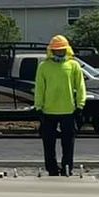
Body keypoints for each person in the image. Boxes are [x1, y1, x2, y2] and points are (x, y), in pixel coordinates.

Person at [34, 35, 86, 176]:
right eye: (56, 50)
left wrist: (80, 106)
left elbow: (80, 87)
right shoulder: (44, 66)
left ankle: (67, 168)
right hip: (48, 111)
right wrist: (38, 108)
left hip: (68, 111)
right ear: (51, 51)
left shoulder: (73, 65)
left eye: (62, 50)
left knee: (68, 143)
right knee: (48, 143)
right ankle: (51, 169)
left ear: (67, 49)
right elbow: (40, 88)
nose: (59, 52)